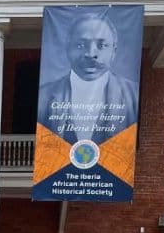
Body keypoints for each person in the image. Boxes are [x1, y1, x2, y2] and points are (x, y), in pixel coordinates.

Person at [37, 12, 139, 145]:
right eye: (80, 45)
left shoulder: (134, 95)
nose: (91, 54)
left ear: (114, 51)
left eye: (101, 45)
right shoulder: (43, 97)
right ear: (68, 49)